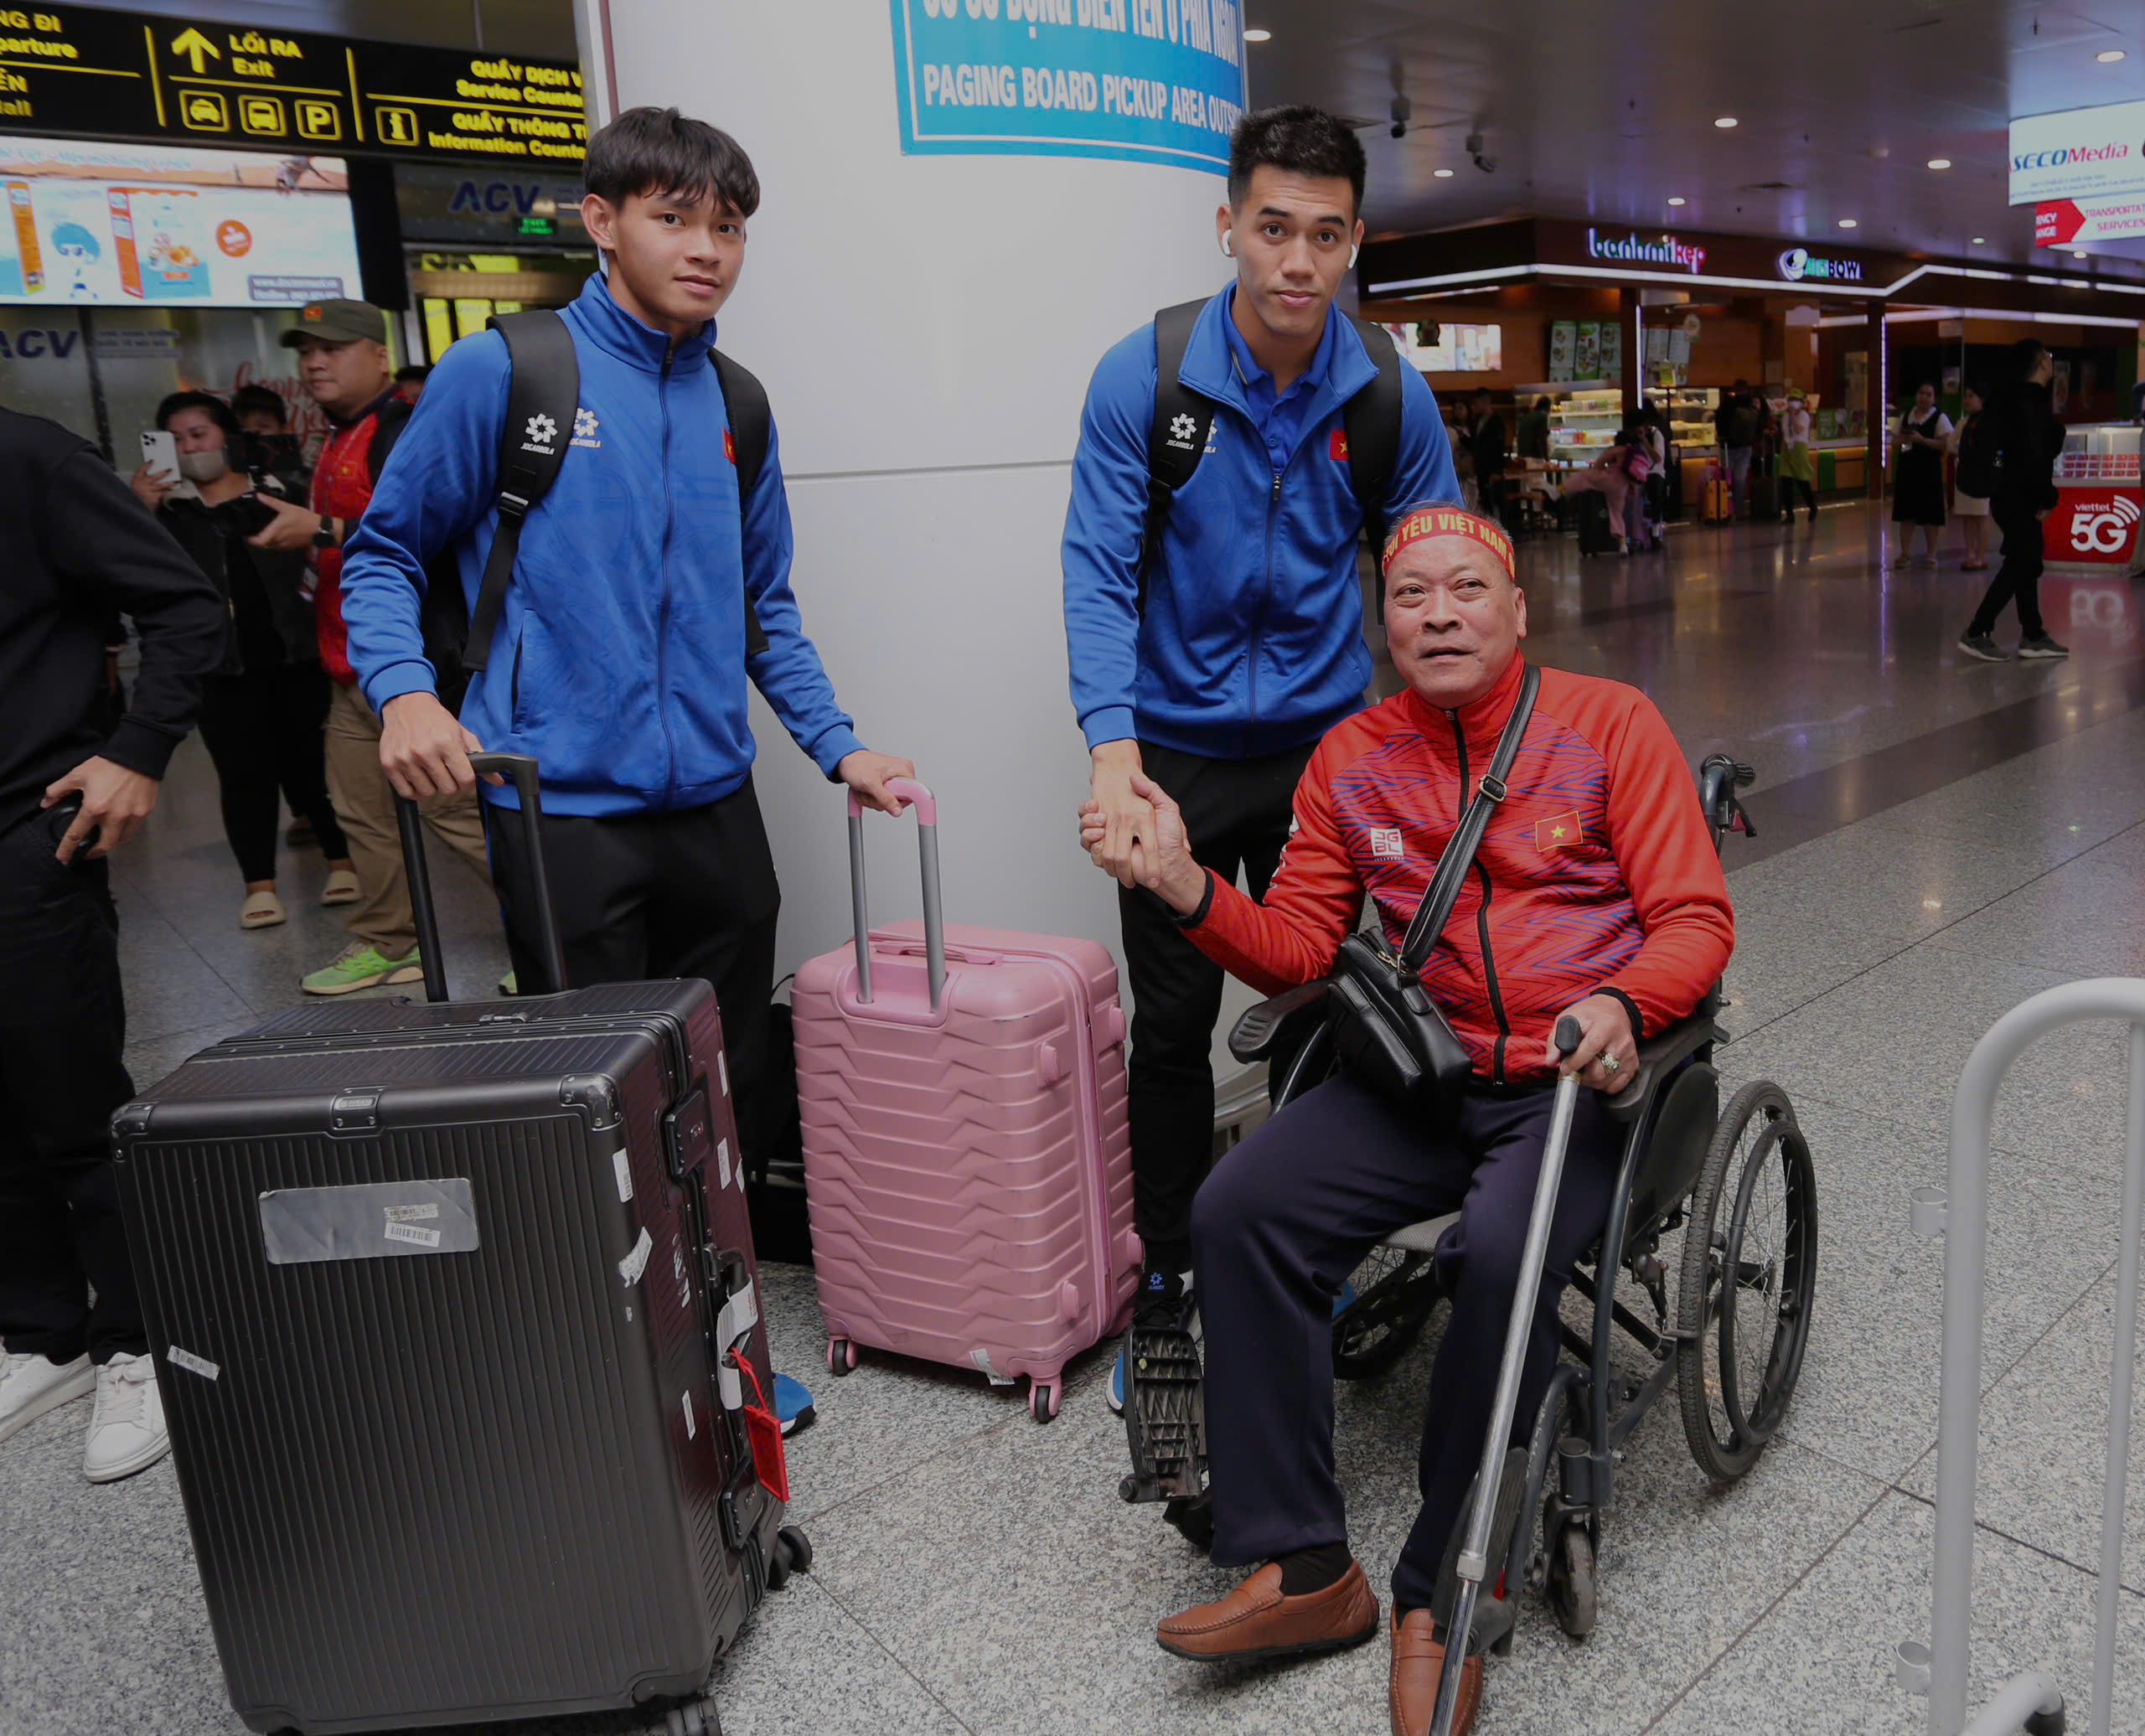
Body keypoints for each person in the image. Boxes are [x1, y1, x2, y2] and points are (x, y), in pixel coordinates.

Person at [1079, 503, 1731, 1736]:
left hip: (1568, 1083)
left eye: (1466, 590)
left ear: (1517, 610)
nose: (1438, 613)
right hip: (1426, 1075)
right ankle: (1308, 1568)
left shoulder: (1609, 728)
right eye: (1411, 595)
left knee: (1497, 1253)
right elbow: (1295, 953)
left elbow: (1696, 919)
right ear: (1383, 624)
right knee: (1239, 1208)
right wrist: (1180, 885)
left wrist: (1621, 1000)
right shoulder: (1353, 757)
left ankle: (1445, 1586)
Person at [1061, 103, 1457, 1413]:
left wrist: (1439, 751)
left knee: (1344, 1002)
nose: (1296, 260)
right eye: (1272, 227)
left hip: (1329, 749)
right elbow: (1099, 569)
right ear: (1227, 223)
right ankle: (1169, 1284)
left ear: (1357, 244)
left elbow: (1433, 577)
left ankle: (1311, 1245)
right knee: (1171, 1029)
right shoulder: (1151, 376)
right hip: (1173, 747)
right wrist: (1115, 756)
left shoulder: (1386, 393)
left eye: (1325, 235)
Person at [0, 406, 228, 1482]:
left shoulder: (32, 457)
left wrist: (138, 749)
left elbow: (187, 603)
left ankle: (139, 1342)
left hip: (24, 832)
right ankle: (38, 1328)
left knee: (71, 1100)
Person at [257, 298, 495, 995]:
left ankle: (545, 926)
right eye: (306, 352)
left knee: (456, 812)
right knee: (360, 813)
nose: (315, 363)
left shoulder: (404, 427)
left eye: (332, 349)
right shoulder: (338, 432)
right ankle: (389, 941)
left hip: (410, 671)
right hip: (345, 665)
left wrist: (321, 527)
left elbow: (434, 535)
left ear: (379, 356)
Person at [127, 391, 357, 928]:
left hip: (295, 657)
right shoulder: (171, 515)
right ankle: (260, 886)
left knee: (312, 766)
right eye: (176, 439)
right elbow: (133, 577)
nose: (188, 447)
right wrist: (139, 510)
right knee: (241, 773)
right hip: (219, 667)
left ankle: (342, 862)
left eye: (199, 435)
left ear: (227, 438)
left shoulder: (278, 497)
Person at [1962, 339, 2069, 661]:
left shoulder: (2008, 400)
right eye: (2048, 356)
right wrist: (2048, 497)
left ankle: (2032, 633)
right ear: (2040, 364)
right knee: (2022, 562)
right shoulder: (2031, 402)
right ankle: (1978, 631)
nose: (2051, 361)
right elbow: (2034, 456)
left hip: (2005, 495)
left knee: (2027, 561)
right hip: (2021, 496)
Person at [1890, 381, 1951, 569]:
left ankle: (1931, 555)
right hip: (1907, 472)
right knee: (1906, 514)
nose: (1923, 397)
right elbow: (1894, 441)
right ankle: (1905, 553)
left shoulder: (1939, 418)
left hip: (1929, 472)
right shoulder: (1906, 416)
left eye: (1928, 394)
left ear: (1934, 398)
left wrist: (1922, 440)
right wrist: (1903, 440)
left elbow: (1945, 444)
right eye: (1921, 393)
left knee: (1930, 515)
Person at [1559, 431, 1636, 554]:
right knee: (1617, 514)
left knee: (1584, 476)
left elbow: (1599, 464)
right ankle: (1623, 545)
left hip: (1609, 481)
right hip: (1623, 485)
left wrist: (1599, 471)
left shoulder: (1615, 450)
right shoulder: (1632, 452)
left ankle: (1560, 490)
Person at [1951, 385, 1994, 571]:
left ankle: (1980, 556)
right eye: (1965, 396)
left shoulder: (1989, 422)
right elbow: (1950, 444)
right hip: (1964, 475)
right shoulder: (1963, 423)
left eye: (1971, 396)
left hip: (1982, 476)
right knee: (1967, 516)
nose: (1967, 400)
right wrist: (1962, 455)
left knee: (1981, 515)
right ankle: (1969, 553)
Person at [1469, 386, 1511, 530]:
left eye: (1476, 402)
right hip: (1481, 470)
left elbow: (1498, 448)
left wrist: (1497, 471)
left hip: (1493, 471)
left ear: (1485, 402)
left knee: (1498, 502)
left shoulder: (1496, 421)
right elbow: (1477, 446)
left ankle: (1503, 533)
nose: (1474, 406)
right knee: (1487, 503)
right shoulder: (1477, 421)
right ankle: (1492, 532)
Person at [1717, 380, 1758, 518]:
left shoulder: (1727, 403)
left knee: (1726, 479)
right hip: (1746, 446)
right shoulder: (1750, 403)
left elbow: (1719, 421)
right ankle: (1739, 511)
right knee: (1740, 479)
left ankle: (1726, 509)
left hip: (1728, 446)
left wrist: (1721, 436)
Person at [1777, 387, 1818, 524]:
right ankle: (1790, 515)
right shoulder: (1785, 417)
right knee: (1786, 482)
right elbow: (1784, 434)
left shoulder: (1804, 416)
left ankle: (1812, 507)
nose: (1793, 403)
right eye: (1791, 400)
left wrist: (1794, 415)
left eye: (1796, 400)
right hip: (1787, 450)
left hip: (1799, 449)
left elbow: (1798, 429)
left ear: (1801, 402)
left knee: (1802, 481)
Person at [1515, 395, 1551, 462]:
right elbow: (1542, 439)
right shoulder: (1542, 416)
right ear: (1548, 407)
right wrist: (1547, 460)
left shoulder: (1528, 416)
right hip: (1534, 458)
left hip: (1522, 457)